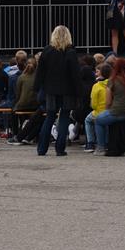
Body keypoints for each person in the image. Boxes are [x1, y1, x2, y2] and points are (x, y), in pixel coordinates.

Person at [34, 25, 81, 157]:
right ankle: (60, 149)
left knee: (49, 117)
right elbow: (75, 75)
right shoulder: (71, 52)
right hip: (67, 91)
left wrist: (37, 87)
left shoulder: (47, 51)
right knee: (64, 118)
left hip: (51, 90)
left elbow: (40, 72)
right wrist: (79, 92)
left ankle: (42, 149)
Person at [94, 58, 125, 155]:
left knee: (98, 120)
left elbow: (108, 101)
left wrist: (107, 110)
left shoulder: (112, 80)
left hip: (117, 111)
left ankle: (101, 147)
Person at [83, 63, 111, 152]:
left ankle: (90, 143)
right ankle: (106, 143)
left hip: (98, 111)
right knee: (106, 124)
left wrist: (93, 106)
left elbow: (93, 104)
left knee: (87, 120)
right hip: (110, 110)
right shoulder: (112, 83)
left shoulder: (96, 85)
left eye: (97, 71)